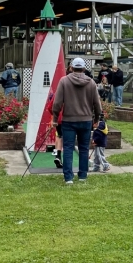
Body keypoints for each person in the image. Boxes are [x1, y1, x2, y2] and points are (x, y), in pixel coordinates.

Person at [51, 56, 103, 185]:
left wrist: (55, 118)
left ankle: (68, 177)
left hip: (69, 120)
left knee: (68, 148)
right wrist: (96, 119)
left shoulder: (64, 81)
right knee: (84, 148)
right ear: (84, 68)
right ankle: (82, 175)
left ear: (71, 67)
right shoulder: (91, 82)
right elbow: (97, 105)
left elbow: (57, 103)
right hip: (86, 120)